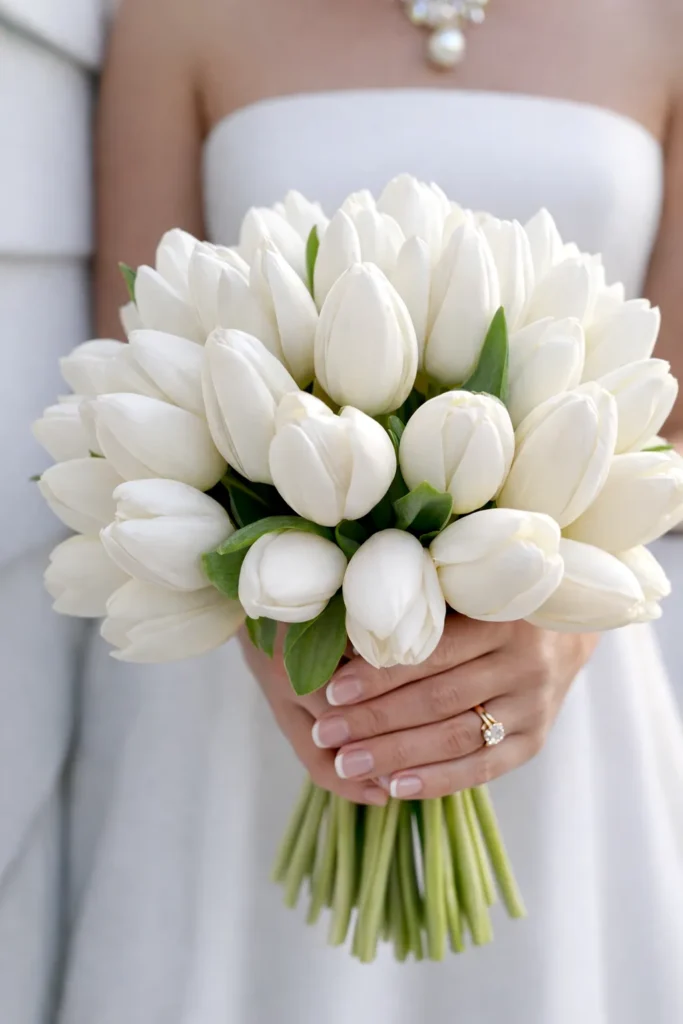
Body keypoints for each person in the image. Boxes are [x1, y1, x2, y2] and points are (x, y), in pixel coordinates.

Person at [55, 1, 683, 1021]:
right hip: (251, 668)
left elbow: (669, 413)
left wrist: (552, 640)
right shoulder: (175, 16)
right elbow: (132, 376)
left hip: (560, 656)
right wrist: (278, 629)